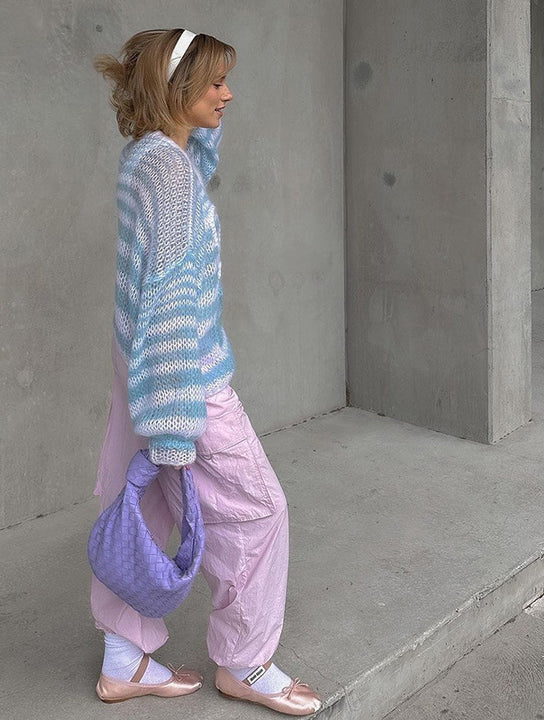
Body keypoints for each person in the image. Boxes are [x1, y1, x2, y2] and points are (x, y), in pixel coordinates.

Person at [90, 28, 323, 717]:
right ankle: (246, 664)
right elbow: (168, 299)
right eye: (215, 82)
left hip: (141, 367)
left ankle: (124, 656)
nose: (228, 94)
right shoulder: (167, 174)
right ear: (177, 88)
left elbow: (179, 217)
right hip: (180, 376)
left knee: (140, 506)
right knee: (256, 510)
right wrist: (172, 427)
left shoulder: (152, 158)